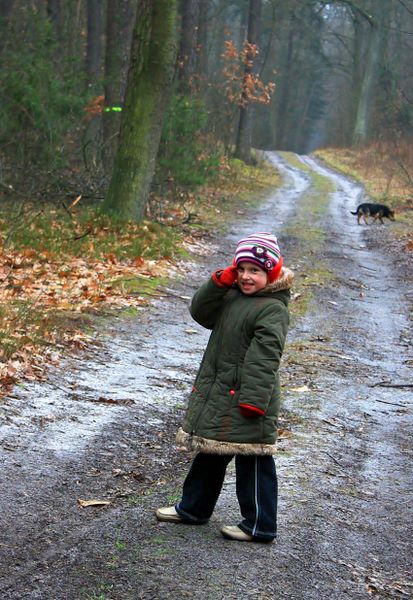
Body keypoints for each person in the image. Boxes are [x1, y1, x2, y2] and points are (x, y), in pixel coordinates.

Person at [155, 232, 294, 543]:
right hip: (224, 393)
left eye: (255, 271)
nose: (246, 276)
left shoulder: (272, 308)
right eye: (241, 268)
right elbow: (201, 312)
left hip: (249, 398)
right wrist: (219, 282)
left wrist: (254, 402)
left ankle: (260, 525)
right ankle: (193, 508)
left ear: (270, 272)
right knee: (211, 450)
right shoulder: (233, 295)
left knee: (254, 460)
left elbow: (265, 358)